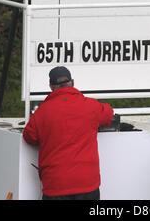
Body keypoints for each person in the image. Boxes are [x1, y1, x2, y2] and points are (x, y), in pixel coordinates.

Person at [23, 66, 114, 200]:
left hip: (55, 185)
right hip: (87, 184)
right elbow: (109, 114)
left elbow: (29, 137)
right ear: (72, 82)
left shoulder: (42, 112)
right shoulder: (90, 106)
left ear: (51, 86)